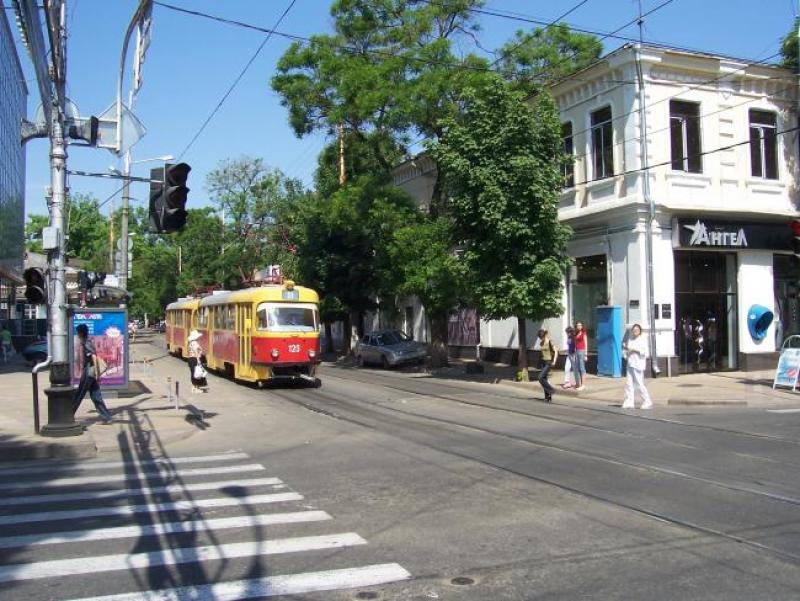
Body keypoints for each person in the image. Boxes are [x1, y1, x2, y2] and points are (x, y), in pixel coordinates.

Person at [72, 324, 113, 424]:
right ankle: (107, 417)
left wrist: (97, 373)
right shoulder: (86, 341)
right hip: (90, 372)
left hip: (89, 372)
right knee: (96, 395)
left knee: (79, 393)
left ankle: (68, 414)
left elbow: (94, 357)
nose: (77, 334)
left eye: (78, 332)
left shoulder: (87, 342)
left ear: (81, 333)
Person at [622, 323, 653, 410]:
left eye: (637, 330)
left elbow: (644, 352)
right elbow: (627, 351)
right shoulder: (630, 339)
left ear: (640, 331)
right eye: (634, 330)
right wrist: (626, 352)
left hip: (638, 364)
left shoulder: (642, 339)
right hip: (630, 363)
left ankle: (647, 400)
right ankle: (629, 401)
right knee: (629, 383)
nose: (635, 331)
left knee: (639, 384)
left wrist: (634, 350)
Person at [536, 329, 557, 403]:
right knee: (544, 379)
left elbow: (556, 351)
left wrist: (554, 361)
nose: (541, 338)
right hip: (543, 362)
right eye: (540, 337)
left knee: (540, 377)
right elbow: (541, 353)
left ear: (544, 335)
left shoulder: (549, 341)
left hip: (549, 362)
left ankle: (551, 390)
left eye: (541, 337)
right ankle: (547, 397)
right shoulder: (541, 343)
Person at [574, 321, 588, 391]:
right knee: (578, 368)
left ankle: (583, 385)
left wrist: (586, 354)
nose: (579, 326)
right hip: (577, 352)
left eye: (580, 325)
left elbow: (586, 343)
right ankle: (579, 384)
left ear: (582, 326)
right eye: (578, 325)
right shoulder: (576, 333)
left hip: (582, 351)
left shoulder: (583, 333)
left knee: (582, 368)